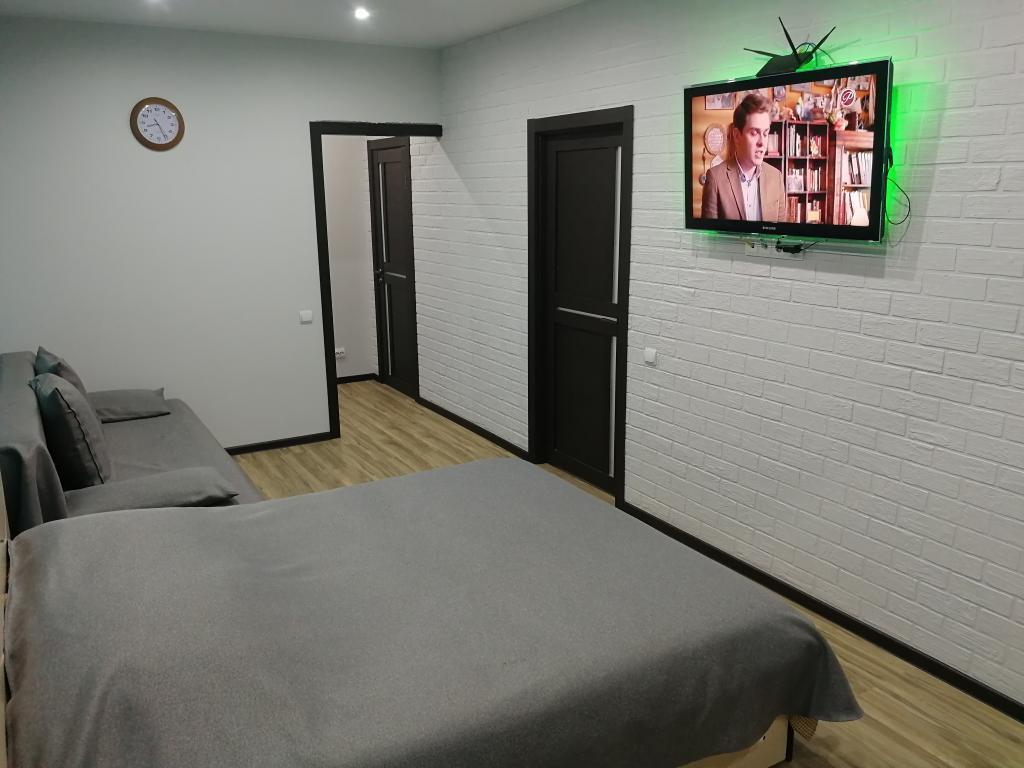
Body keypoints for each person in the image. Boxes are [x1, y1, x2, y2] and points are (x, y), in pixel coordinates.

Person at [700, 92, 787, 222]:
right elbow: (710, 234)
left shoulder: (776, 178)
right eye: (754, 133)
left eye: (765, 133)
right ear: (737, 136)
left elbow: (780, 232)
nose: (762, 143)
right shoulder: (715, 178)